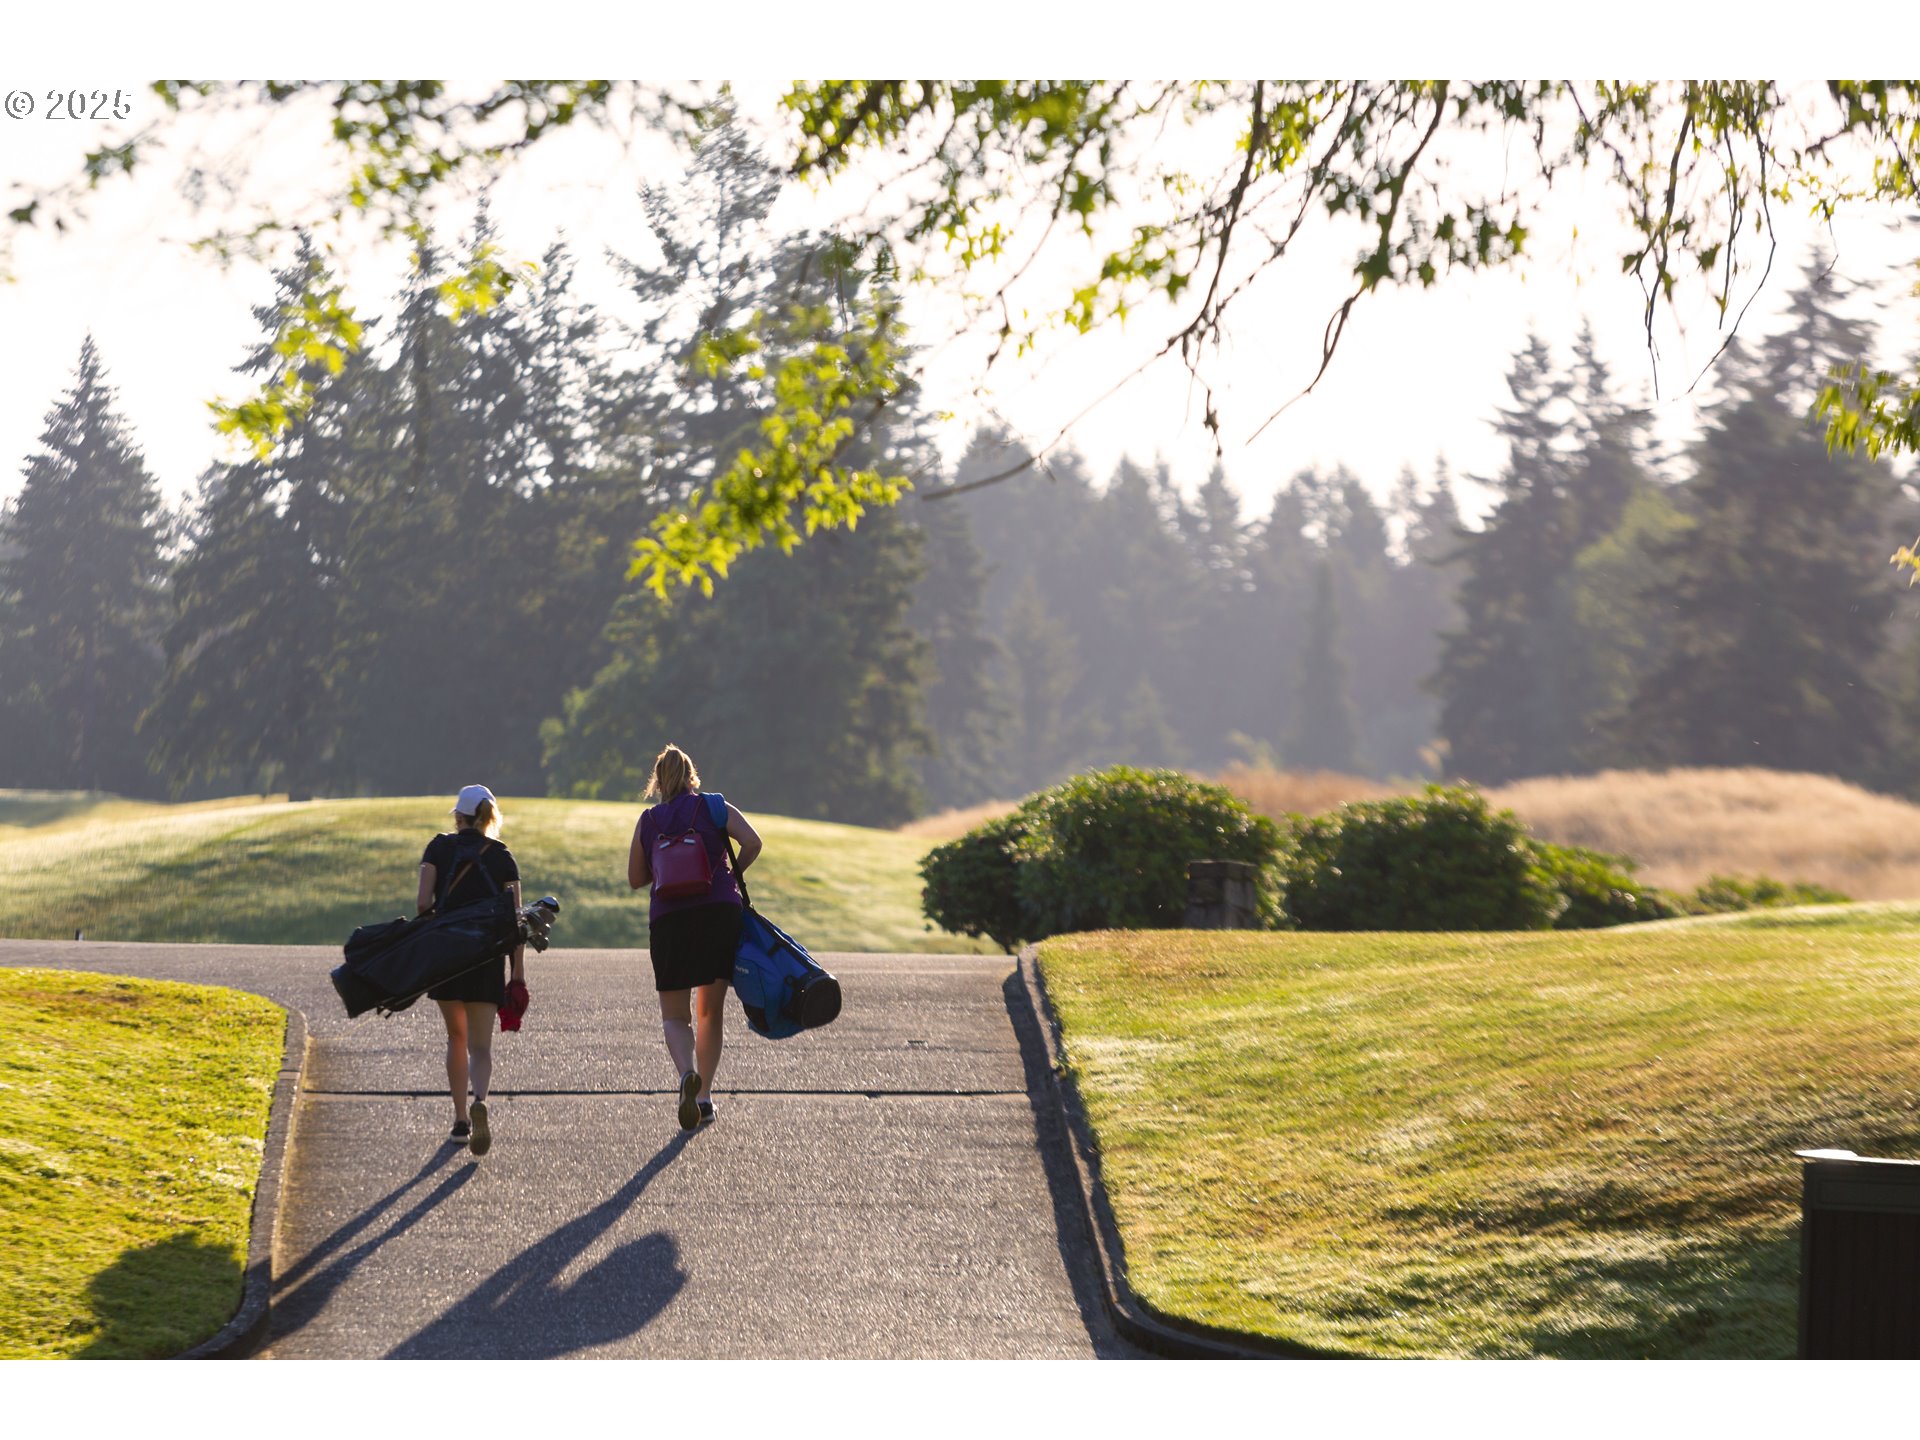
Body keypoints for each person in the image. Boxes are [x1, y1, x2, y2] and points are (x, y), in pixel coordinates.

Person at [628, 743, 763, 1130]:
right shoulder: (715, 806)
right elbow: (753, 842)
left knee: (674, 1015)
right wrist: (731, 873)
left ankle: (686, 1072)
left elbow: (635, 879)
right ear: (692, 776)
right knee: (709, 1011)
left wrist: (667, 867)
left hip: (670, 919)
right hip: (718, 913)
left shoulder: (649, 821)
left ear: (658, 782)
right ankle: (703, 1098)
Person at [417, 783, 525, 1155]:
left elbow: (422, 903)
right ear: (488, 817)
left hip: (447, 956)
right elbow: (515, 921)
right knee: (481, 1046)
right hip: (486, 959)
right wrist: (518, 974)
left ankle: (461, 1120)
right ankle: (480, 1099)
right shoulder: (502, 856)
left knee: (456, 1039)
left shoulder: (437, 848)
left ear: (459, 817)